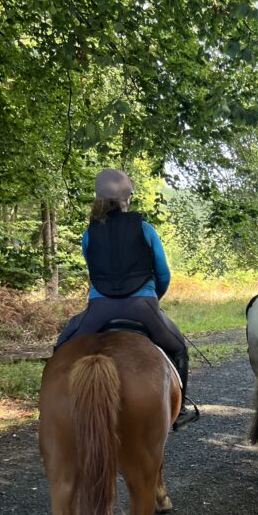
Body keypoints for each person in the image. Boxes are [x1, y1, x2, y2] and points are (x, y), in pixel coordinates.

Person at [54, 168, 199, 430]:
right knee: (178, 348)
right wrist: (155, 297)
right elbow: (163, 273)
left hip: (98, 310)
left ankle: (53, 410)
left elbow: (93, 272)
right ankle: (181, 412)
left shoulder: (89, 234)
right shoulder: (144, 229)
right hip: (142, 307)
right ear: (127, 199)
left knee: (61, 346)